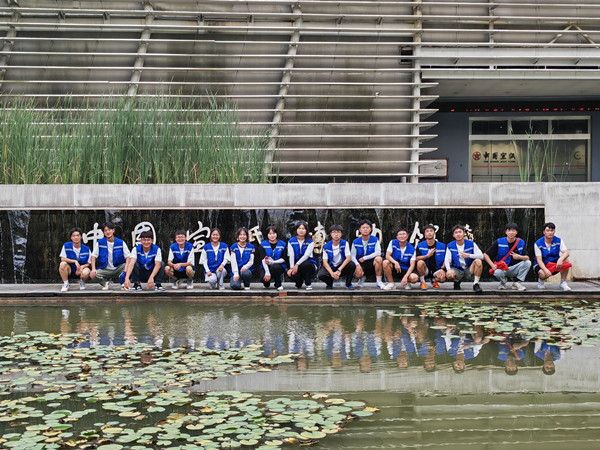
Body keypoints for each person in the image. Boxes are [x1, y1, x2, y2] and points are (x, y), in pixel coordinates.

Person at [483, 222, 531, 291]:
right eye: (509, 230)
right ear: (506, 232)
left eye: (513, 230)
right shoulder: (499, 242)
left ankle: (517, 283)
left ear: (516, 232)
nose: (511, 232)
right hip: (502, 268)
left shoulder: (521, 242)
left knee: (528, 262)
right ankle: (503, 283)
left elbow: (527, 257)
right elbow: (485, 254)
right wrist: (492, 265)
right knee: (497, 272)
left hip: (515, 268)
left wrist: (519, 257)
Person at [90, 222, 130, 290]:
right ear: (103, 232)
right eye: (105, 230)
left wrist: (125, 271)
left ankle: (123, 283)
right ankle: (105, 283)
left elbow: (128, 257)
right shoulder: (100, 242)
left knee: (129, 265)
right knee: (92, 274)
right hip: (105, 269)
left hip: (118, 268)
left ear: (113, 230)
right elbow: (93, 256)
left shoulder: (121, 242)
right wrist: (93, 269)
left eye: (109, 230)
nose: (107, 232)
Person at [444, 225, 484, 292]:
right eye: (456, 232)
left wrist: (469, 255)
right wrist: (448, 270)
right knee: (449, 274)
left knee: (478, 261)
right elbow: (447, 260)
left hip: (469, 269)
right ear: (453, 235)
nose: (458, 234)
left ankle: (476, 284)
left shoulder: (471, 244)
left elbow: (481, 256)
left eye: (460, 232)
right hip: (457, 269)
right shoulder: (450, 245)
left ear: (464, 233)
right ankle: (456, 281)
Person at [534, 222, 572, 291]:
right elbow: (539, 260)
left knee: (566, 260)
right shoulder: (538, 243)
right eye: (548, 230)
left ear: (554, 231)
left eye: (552, 230)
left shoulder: (558, 240)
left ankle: (563, 282)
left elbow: (566, 252)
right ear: (544, 232)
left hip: (554, 263)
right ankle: (541, 280)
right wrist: (545, 270)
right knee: (543, 274)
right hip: (542, 264)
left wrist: (560, 259)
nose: (550, 232)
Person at [318, 224, 356, 289]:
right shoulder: (326, 246)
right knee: (321, 275)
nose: (336, 234)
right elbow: (325, 262)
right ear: (330, 234)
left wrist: (339, 270)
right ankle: (329, 283)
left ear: (341, 234)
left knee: (352, 265)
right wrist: (332, 274)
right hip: (331, 266)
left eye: (338, 232)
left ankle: (348, 284)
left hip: (341, 267)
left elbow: (348, 258)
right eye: (334, 232)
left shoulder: (345, 243)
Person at [351, 220, 384, 289]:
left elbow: (378, 252)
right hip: (360, 263)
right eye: (363, 228)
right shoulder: (355, 241)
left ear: (371, 229)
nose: (365, 229)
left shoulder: (375, 239)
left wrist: (365, 258)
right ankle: (361, 278)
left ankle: (379, 281)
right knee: (358, 274)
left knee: (379, 259)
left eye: (367, 227)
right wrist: (357, 265)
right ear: (360, 230)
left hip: (372, 263)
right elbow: (352, 256)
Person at [287, 221, 317, 290]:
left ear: (306, 230)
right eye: (299, 228)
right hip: (296, 266)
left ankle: (308, 283)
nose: (301, 230)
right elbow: (291, 255)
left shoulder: (310, 241)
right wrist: (291, 268)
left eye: (303, 229)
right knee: (291, 274)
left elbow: (306, 255)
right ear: (296, 230)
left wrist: (297, 264)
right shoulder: (291, 241)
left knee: (305, 264)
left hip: (309, 265)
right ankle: (299, 281)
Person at [59, 227, 91, 292]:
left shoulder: (86, 249)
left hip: (81, 270)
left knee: (87, 271)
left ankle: (82, 282)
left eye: (78, 235)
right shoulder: (66, 246)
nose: (76, 237)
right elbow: (62, 258)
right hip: (70, 269)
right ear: (71, 237)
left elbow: (89, 263)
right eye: (73, 236)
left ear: (81, 237)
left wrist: (82, 266)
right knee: (62, 264)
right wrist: (74, 261)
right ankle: (66, 284)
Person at [415, 224, 446, 290]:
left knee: (442, 278)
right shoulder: (420, 245)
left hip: (437, 269)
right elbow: (416, 258)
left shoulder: (442, 246)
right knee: (420, 262)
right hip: (425, 270)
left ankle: (434, 280)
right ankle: (422, 282)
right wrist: (427, 256)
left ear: (434, 233)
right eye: (427, 231)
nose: (429, 233)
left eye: (431, 231)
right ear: (424, 234)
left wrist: (443, 268)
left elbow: (447, 258)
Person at [259, 226, 287, 291]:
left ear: (277, 234)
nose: (272, 235)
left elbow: (284, 258)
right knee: (263, 279)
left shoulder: (283, 244)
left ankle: (278, 284)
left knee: (275, 267)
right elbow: (263, 259)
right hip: (266, 266)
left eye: (274, 233)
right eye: (270, 234)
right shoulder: (263, 244)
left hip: (279, 265)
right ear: (267, 234)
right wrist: (267, 272)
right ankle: (267, 283)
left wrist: (273, 262)